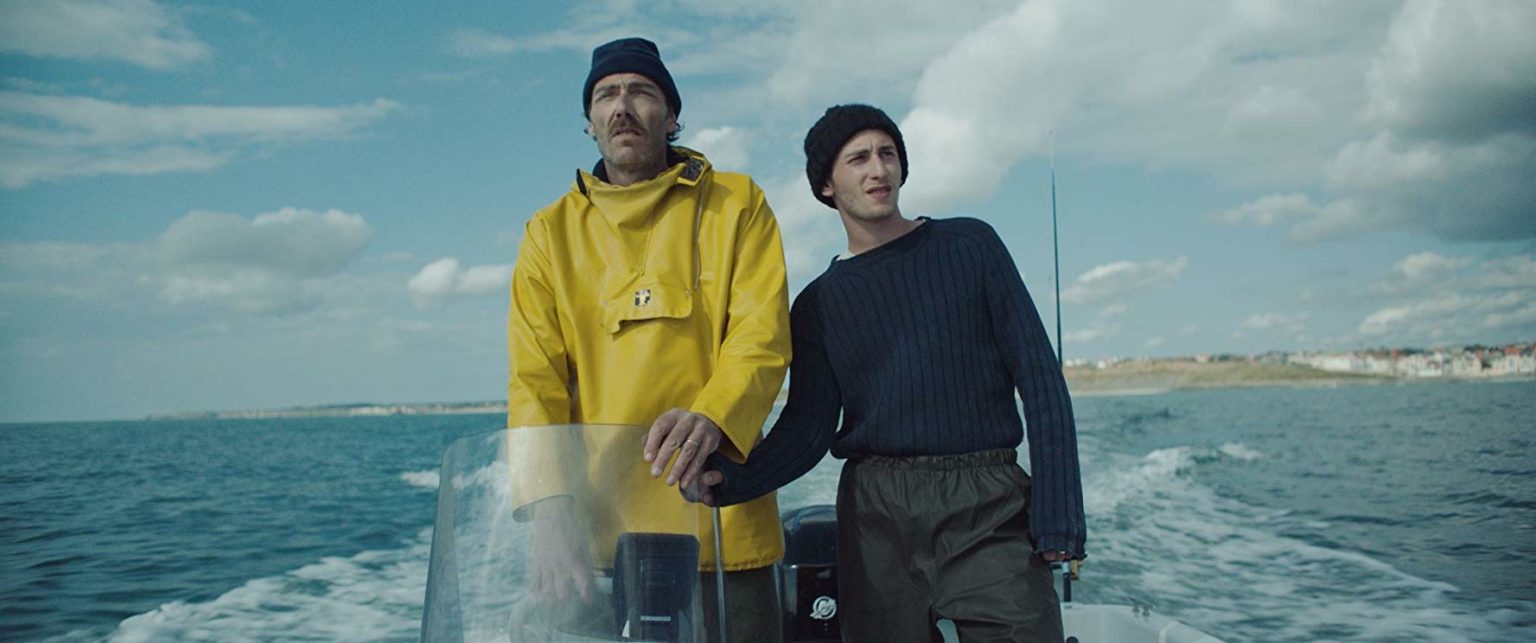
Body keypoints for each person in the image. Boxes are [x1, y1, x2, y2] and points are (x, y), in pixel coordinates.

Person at [685, 104, 1086, 642]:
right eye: (858, 159)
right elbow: (807, 430)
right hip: (875, 516)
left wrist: (1060, 514)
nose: (878, 169)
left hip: (987, 503)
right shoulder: (817, 305)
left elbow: (1041, 381)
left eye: (888, 154)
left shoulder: (971, 246)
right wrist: (732, 480)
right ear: (826, 185)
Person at [506, 36, 790, 641]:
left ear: (672, 115)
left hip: (719, 515)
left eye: (641, 92)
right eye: (606, 95)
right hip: (598, 535)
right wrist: (549, 513)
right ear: (589, 123)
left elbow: (761, 337)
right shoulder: (548, 233)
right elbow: (534, 382)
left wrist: (712, 416)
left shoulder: (737, 203)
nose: (622, 107)